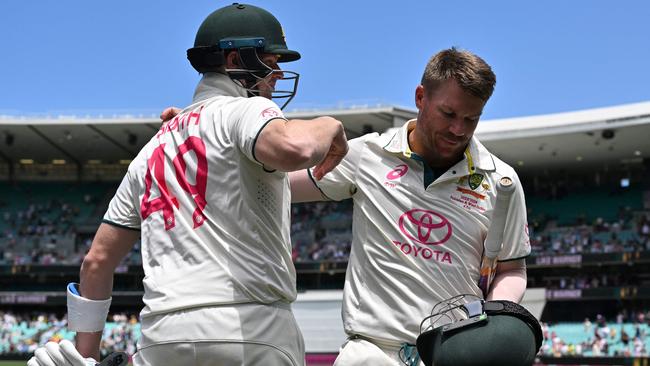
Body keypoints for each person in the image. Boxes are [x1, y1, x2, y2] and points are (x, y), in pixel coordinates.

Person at [28, 3, 347, 366]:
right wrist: (330, 125)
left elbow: (96, 263)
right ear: (234, 60)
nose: (276, 75)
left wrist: (84, 357)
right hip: (252, 328)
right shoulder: (245, 109)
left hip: (161, 337)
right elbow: (297, 148)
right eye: (270, 62)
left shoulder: (150, 151)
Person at [290, 47, 531, 365]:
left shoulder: (502, 181)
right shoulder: (368, 155)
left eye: (471, 118)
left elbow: (512, 269)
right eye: (449, 114)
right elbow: (281, 187)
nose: (458, 129)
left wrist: (496, 318)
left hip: (452, 355)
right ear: (421, 97)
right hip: (370, 352)